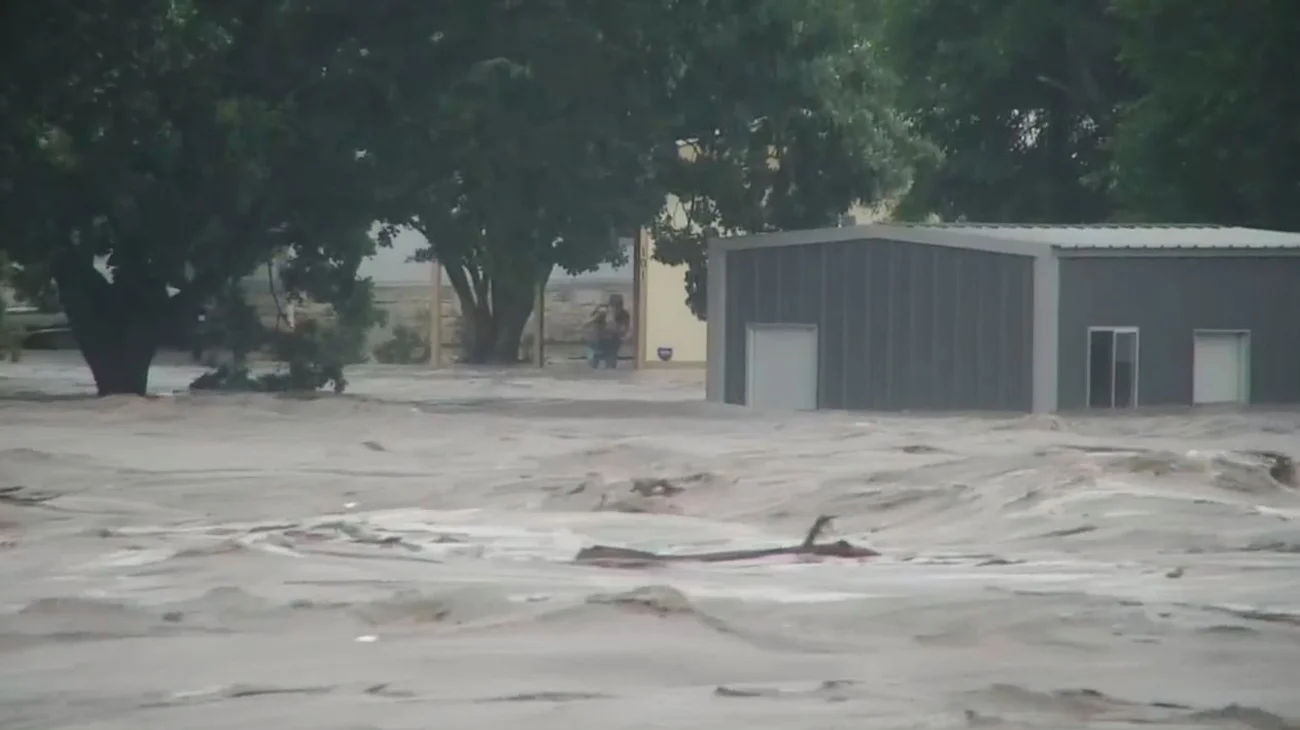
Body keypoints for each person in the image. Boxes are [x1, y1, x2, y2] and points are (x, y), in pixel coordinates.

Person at [587, 293, 630, 368]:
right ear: (609, 306)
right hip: (598, 341)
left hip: (613, 343)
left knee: (611, 365)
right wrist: (598, 315)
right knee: (593, 365)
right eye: (613, 307)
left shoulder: (624, 315)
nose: (615, 310)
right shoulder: (602, 311)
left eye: (618, 308)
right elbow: (587, 324)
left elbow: (622, 332)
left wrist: (611, 319)